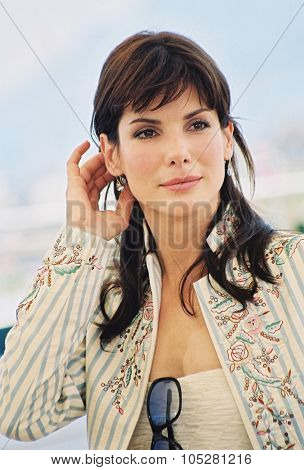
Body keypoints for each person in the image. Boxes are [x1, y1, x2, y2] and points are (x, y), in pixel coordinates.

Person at [1, 30, 304, 451]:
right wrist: (82, 238)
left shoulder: (293, 268)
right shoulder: (103, 300)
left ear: (227, 138)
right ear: (112, 155)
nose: (179, 151)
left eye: (198, 124)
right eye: (147, 132)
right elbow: (18, 413)